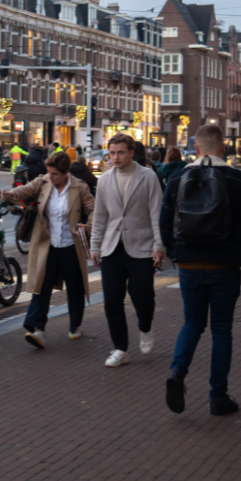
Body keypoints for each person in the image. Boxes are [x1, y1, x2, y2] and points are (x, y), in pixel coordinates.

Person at [160, 124, 241, 417]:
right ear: (224, 148)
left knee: (192, 322)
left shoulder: (177, 177)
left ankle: (177, 371)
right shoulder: (237, 179)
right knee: (221, 330)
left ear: (196, 148)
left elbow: (165, 221)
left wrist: (176, 254)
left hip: (189, 265)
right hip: (225, 265)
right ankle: (218, 397)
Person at [3, 151, 94, 348]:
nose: (50, 177)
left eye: (54, 174)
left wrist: (87, 226)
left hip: (71, 245)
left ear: (65, 173)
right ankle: (38, 330)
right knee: (41, 285)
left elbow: (93, 209)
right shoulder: (43, 181)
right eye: (48, 172)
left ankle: (75, 325)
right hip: (48, 244)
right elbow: (26, 189)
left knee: (75, 288)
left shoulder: (79, 187)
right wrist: (11, 194)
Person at [89, 134, 164, 367]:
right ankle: (120, 348)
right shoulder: (104, 179)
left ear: (131, 152)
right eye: (112, 153)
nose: (115, 157)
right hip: (112, 247)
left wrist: (159, 244)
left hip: (142, 246)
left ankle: (145, 326)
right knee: (112, 300)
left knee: (142, 297)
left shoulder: (148, 177)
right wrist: (95, 246)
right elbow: (100, 216)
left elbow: (156, 213)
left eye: (120, 152)